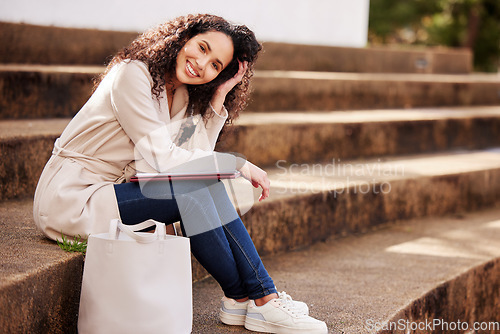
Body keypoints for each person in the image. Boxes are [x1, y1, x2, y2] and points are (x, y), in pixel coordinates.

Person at [33, 14, 328, 333]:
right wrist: (236, 163)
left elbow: (189, 161)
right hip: (72, 198)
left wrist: (218, 96)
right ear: (182, 37)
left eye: (216, 65)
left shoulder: (180, 95)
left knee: (196, 188)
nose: (202, 64)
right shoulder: (132, 74)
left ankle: (246, 298)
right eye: (202, 48)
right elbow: (166, 160)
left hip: (117, 195)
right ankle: (260, 297)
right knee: (193, 188)